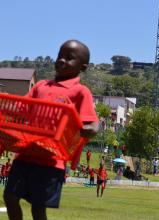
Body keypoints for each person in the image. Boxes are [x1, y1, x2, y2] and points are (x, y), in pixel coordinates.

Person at [3, 39, 99, 220]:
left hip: (52, 160)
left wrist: (90, 128)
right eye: (59, 56)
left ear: (83, 67)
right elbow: (21, 109)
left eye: (69, 58)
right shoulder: (41, 86)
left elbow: (93, 121)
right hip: (26, 152)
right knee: (10, 197)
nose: (62, 60)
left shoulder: (80, 91)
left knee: (38, 209)